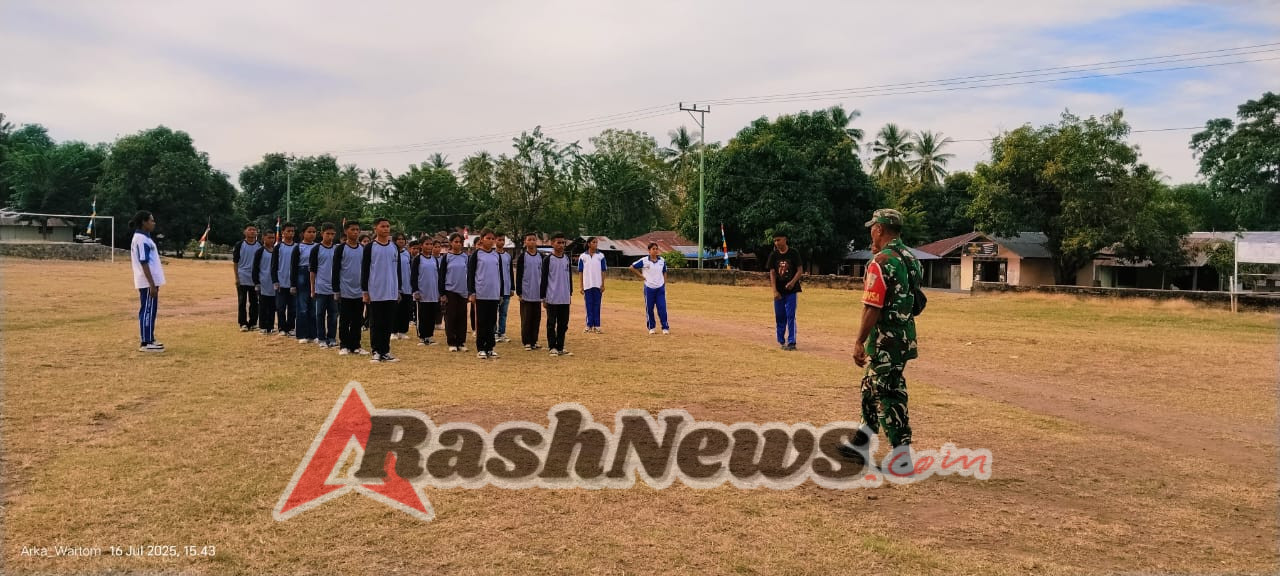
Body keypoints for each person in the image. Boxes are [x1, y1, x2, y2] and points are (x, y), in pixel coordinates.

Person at [848, 209, 923, 475]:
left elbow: (872, 306)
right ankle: (861, 441)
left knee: (888, 393)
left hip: (885, 341)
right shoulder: (911, 259)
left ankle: (901, 457)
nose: (871, 232)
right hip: (903, 337)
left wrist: (859, 341)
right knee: (871, 385)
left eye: (873, 227)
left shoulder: (880, 261)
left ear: (879, 229)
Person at [362, 218, 401, 363]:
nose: (386, 229)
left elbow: (397, 270)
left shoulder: (394, 247)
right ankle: (376, 351)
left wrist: (398, 289)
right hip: (376, 291)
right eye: (382, 226)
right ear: (375, 228)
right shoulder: (370, 247)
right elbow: (365, 270)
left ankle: (386, 351)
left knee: (388, 323)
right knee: (376, 323)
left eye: (388, 226)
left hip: (391, 291)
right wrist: (365, 291)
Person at [130, 210, 166, 352]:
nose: (153, 223)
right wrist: (151, 284)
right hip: (147, 282)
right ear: (144, 222)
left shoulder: (146, 238)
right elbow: (143, 262)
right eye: (151, 220)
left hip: (152, 281)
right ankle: (146, 342)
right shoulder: (140, 239)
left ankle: (150, 338)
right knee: (147, 310)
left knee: (150, 310)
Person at [332, 221, 367, 355]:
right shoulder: (340, 249)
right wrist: (336, 289)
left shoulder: (362, 249)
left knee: (357, 319)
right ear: (346, 231)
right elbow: (335, 270)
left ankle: (356, 345)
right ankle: (344, 345)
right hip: (345, 290)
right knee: (345, 319)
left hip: (359, 290)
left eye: (357, 230)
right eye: (352, 229)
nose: (355, 232)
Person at [468, 229, 504, 359]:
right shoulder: (476, 255)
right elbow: (471, 275)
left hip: (493, 294)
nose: (491, 241)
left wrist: (500, 293)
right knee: (481, 322)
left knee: (491, 322)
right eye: (488, 238)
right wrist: (472, 292)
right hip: (481, 293)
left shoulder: (496, 255)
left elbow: (500, 275)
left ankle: (490, 347)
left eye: (492, 238)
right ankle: (481, 348)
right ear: (482, 239)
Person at [766, 230, 803, 351]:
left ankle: (792, 342)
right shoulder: (774, 255)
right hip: (779, 291)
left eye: (779, 240)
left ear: (785, 239)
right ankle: (781, 340)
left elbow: (800, 270)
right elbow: (772, 273)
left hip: (791, 291)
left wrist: (792, 282)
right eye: (775, 241)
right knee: (780, 316)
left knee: (790, 315)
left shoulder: (793, 253)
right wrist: (774, 290)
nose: (777, 243)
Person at [542, 233, 573, 356]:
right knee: (551, 323)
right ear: (552, 243)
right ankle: (552, 346)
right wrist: (543, 297)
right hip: (552, 297)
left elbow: (569, 277)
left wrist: (569, 293)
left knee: (563, 324)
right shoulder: (548, 259)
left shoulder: (566, 259)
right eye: (558, 242)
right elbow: (544, 279)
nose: (561, 245)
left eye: (563, 243)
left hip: (564, 297)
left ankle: (560, 346)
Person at [438, 232, 470, 352]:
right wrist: (442, 294)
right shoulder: (446, 257)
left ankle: (461, 342)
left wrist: (469, 291)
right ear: (451, 243)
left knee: (462, 317)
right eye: (456, 241)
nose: (458, 244)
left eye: (460, 242)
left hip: (463, 291)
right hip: (450, 291)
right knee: (450, 317)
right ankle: (452, 342)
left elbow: (469, 275)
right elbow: (441, 276)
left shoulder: (465, 257)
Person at [310, 223, 339, 348]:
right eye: (328, 234)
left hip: (334, 288)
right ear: (322, 233)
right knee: (320, 314)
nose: (330, 236)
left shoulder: (337, 249)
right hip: (321, 287)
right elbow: (312, 271)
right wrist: (312, 288)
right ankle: (321, 337)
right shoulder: (316, 249)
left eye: (332, 234)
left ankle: (331, 337)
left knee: (333, 314)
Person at [630, 242, 670, 335]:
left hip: (660, 288)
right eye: (653, 249)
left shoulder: (662, 260)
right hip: (649, 288)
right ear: (649, 250)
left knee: (662, 308)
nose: (655, 251)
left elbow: (664, 271)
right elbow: (632, 267)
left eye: (656, 249)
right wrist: (641, 276)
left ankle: (665, 327)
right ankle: (651, 327)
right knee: (650, 308)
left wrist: (664, 282)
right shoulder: (644, 260)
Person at [514, 231, 544, 351]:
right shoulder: (522, 257)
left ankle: (534, 340)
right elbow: (519, 275)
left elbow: (543, 274)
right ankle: (526, 341)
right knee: (526, 318)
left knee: (536, 318)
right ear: (525, 242)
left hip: (537, 292)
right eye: (529, 239)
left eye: (533, 239)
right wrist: (519, 292)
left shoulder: (541, 257)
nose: (532, 242)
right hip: (526, 292)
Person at [411, 239, 441, 346]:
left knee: (431, 316)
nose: (429, 246)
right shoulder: (418, 259)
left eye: (431, 244)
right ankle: (422, 337)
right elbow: (413, 276)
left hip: (433, 292)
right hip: (422, 293)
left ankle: (429, 336)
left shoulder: (434, 259)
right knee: (422, 316)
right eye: (427, 244)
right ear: (421, 245)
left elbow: (437, 276)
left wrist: (439, 292)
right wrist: (415, 291)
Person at [232, 224, 261, 332]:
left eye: (254, 230)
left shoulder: (259, 245)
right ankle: (243, 323)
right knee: (242, 301)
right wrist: (237, 278)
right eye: (250, 230)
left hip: (255, 278)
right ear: (245, 232)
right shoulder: (240, 245)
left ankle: (253, 323)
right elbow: (235, 262)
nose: (252, 232)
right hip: (242, 276)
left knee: (254, 302)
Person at [292, 223, 318, 344]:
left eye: (314, 232)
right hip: (302, 275)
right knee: (302, 307)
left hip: (315, 276)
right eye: (309, 232)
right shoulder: (298, 247)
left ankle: (314, 334)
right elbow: (293, 267)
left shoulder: (318, 246)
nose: (312, 234)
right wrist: (293, 284)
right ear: (303, 233)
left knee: (314, 307)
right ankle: (302, 334)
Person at [271, 222, 298, 337]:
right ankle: (282, 328)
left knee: (292, 308)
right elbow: (273, 265)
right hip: (281, 282)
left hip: (293, 283)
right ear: (283, 232)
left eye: (292, 231)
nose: (291, 233)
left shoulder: (297, 247)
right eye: (288, 231)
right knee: (280, 307)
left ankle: (291, 327)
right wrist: (275, 281)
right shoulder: (278, 247)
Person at [577, 236, 607, 333]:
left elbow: (603, 271)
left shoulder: (601, 256)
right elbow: (580, 272)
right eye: (594, 242)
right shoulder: (583, 256)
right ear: (589, 244)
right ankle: (589, 325)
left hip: (597, 284)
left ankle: (597, 326)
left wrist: (603, 284)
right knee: (588, 305)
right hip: (587, 285)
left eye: (596, 242)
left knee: (597, 305)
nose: (595, 244)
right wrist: (581, 286)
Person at [253, 230, 280, 334]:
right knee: (263, 305)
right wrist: (256, 282)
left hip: (273, 282)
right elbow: (255, 268)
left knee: (272, 306)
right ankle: (263, 326)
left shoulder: (276, 251)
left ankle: (271, 326)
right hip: (263, 282)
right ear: (263, 238)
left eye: (273, 238)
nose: (271, 240)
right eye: (269, 237)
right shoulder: (260, 251)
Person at [394, 234, 414, 340]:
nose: (401, 241)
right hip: (395, 286)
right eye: (399, 239)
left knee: (405, 310)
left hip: (407, 286)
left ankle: (402, 331)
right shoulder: (392, 252)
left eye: (403, 239)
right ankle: (393, 331)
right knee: (395, 310)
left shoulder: (407, 254)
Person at [495, 232, 513, 343]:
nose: (501, 242)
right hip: (495, 289)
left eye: (503, 240)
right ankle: (494, 333)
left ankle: (502, 332)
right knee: (493, 313)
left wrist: (512, 288)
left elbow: (510, 272)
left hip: (506, 289)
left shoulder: (507, 256)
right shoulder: (492, 255)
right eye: (499, 240)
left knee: (503, 313)